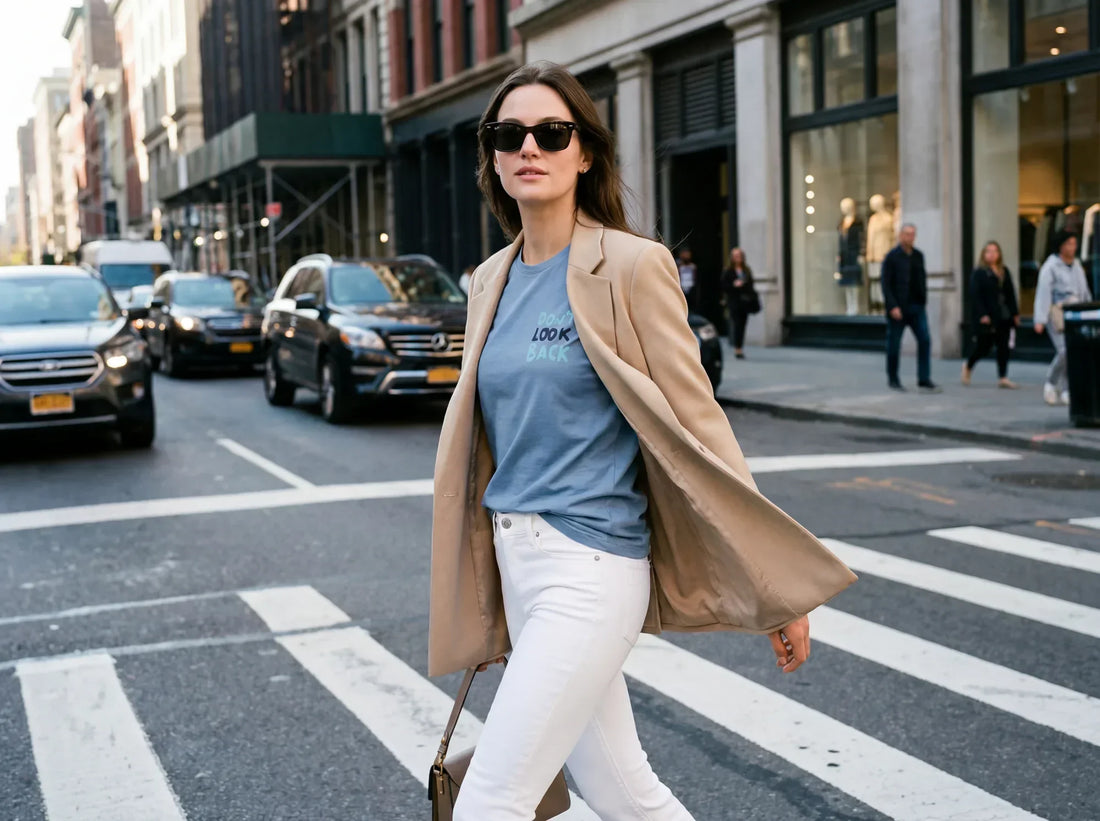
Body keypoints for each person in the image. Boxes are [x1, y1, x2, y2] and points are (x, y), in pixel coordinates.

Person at [429, 61, 857, 821]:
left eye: (551, 132)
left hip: (591, 568)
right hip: (518, 562)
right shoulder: (487, 280)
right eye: (509, 133)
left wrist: (774, 585)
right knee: (626, 795)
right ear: (492, 155)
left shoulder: (630, 265)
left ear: (584, 152)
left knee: (489, 802)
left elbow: (701, 424)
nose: (530, 146)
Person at [1033, 230, 1093, 405]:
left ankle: (1067, 389)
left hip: (1076, 313)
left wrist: (1089, 310)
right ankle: (1051, 382)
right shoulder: (1050, 267)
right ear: (1060, 246)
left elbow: (1084, 291)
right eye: (1068, 244)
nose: (1072, 248)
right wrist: (1040, 319)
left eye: (1074, 244)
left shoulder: (1077, 266)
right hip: (1057, 314)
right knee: (1064, 350)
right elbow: (1043, 293)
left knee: (1074, 352)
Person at [881, 223, 940, 392]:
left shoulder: (918, 256)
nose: (910, 237)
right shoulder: (892, 257)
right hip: (898, 308)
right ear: (900, 236)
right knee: (894, 344)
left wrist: (923, 300)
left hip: (916, 306)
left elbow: (921, 279)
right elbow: (886, 284)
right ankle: (893, 379)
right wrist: (892, 306)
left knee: (925, 340)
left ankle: (924, 378)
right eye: (907, 234)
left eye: (913, 234)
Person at [962, 241, 1019, 389]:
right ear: (983, 254)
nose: (992, 254)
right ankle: (968, 366)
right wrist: (982, 314)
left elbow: (1010, 293)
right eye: (988, 251)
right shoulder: (979, 273)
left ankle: (1003, 377)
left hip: (1003, 315)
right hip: (988, 315)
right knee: (983, 346)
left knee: (1003, 346)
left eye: (995, 251)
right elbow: (976, 296)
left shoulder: (1004, 271)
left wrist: (1015, 313)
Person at [720, 246, 756, 359]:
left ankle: (740, 345)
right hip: (734, 301)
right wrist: (734, 285)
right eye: (735, 256)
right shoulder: (728, 271)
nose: (737, 258)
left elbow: (751, 284)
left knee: (743, 325)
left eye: (739, 256)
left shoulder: (746, 270)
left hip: (745, 302)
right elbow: (723, 286)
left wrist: (744, 286)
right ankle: (737, 348)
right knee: (737, 324)